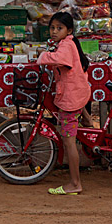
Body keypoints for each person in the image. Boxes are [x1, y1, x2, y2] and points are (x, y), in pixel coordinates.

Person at [37, 12, 92, 195]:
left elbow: (58, 59)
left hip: (71, 96)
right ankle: (87, 120)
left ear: (68, 30)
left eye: (59, 28)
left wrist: (42, 55)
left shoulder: (66, 45)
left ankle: (75, 183)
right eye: (52, 28)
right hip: (77, 91)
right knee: (73, 116)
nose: (54, 31)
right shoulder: (68, 42)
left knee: (69, 141)